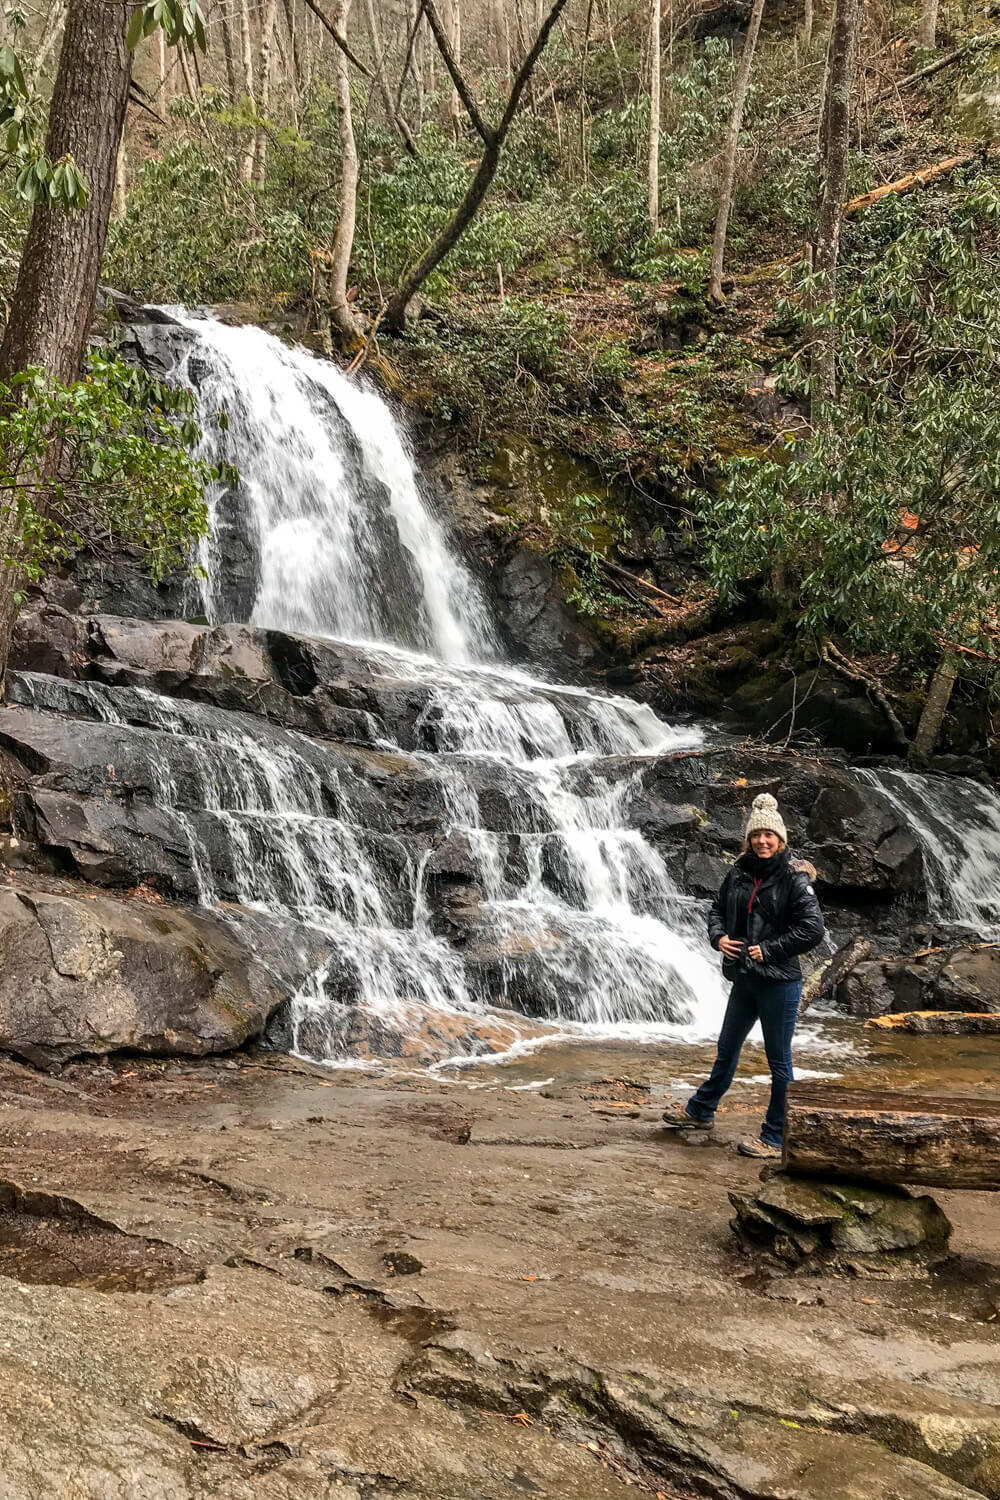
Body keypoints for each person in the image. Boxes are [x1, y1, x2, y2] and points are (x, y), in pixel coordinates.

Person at [662, 792, 824, 1159]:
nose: (762, 841)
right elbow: (717, 910)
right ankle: (701, 1111)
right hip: (745, 978)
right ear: (748, 839)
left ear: (780, 839)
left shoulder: (794, 878)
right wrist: (718, 938)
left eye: (769, 836)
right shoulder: (738, 872)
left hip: (779, 982)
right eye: (756, 835)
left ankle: (776, 1136)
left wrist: (770, 949)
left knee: (779, 1060)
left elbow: (813, 930)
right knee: (727, 1048)